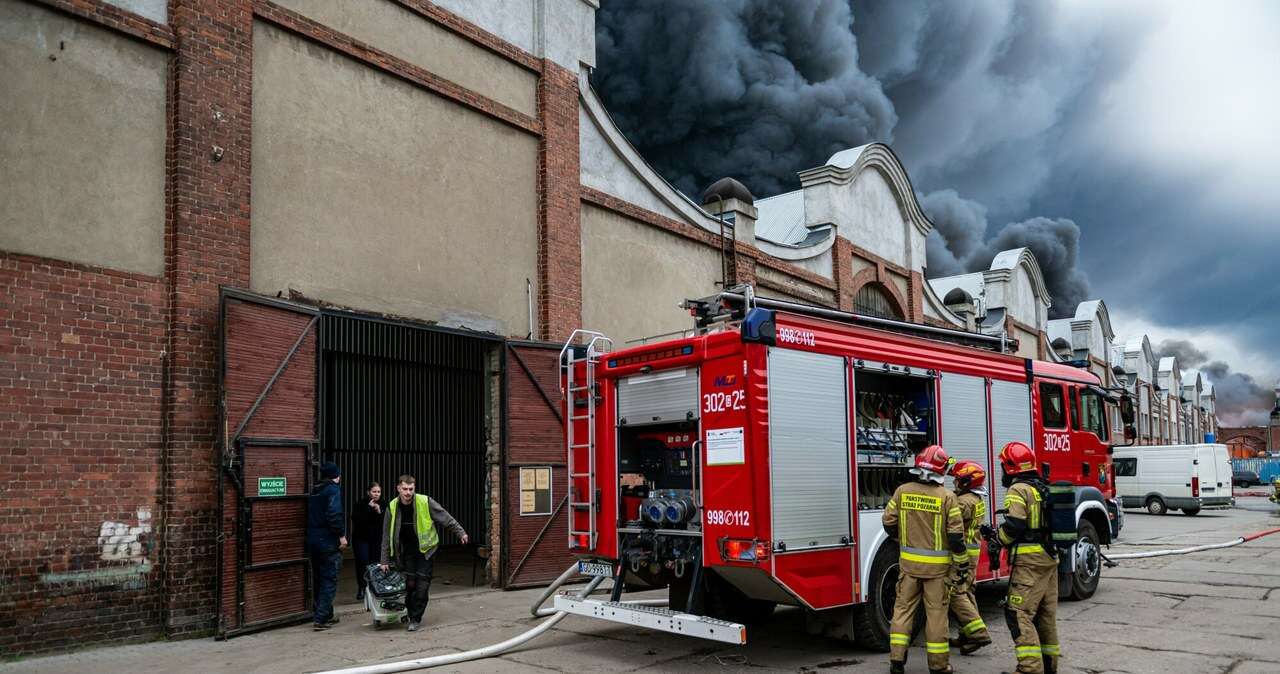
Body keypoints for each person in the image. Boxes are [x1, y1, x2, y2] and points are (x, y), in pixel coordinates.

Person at [882, 444, 969, 674]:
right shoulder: (947, 498)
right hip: (938, 572)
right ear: (940, 471)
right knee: (936, 616)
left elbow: (888, 523)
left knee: (902, 611)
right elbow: (956, 537)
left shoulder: (902, 491)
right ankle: (939, 666)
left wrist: (905, 538)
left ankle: (896, 661)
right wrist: (962, 563)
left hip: (909, 566)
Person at [982, 441, 1060, 674]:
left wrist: (998, 540)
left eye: (1004, 466)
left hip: (1030, 561)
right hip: (1049, 558)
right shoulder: (1042, 487)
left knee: (1018, 613)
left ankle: (1028, 669)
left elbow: (1015, 524)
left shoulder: (1018, 490)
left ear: (1010, 466)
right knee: (1045, 615)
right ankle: (1049, 666)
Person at [379, 474, 469, 632]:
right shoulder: (392, 507)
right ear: (398, 489)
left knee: (422, 586)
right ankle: (409, 610)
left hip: (425, 551)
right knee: (410, 584)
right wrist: (384, 560)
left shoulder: (425, 502)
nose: (408, 493)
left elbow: (445, 517)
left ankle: (415, 618)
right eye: (405, 489)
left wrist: (460, 532)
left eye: (411, 489)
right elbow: (386, 535)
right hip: (406, 552)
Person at [946, 460, 992, 655]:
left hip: (962, 553)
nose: (954, 483)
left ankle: (979, 634)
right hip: (972, 552)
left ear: (966, 482)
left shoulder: (964, 502)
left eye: (957, 480)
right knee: (967, 591)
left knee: (956, 593)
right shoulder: (976, 499)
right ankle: (966, 633)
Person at [306, 461, 347, 631]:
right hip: (328, 542)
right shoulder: (332, 490)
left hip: (313, 541)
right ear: (337, 476)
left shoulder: (315, 490)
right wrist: (341, 536)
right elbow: (334, 515)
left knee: (318, 579)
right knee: (329, 579)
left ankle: (325, 614)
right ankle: (321, 619)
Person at [351, 481, 384, 603]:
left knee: (375, 563)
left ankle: (375, 587)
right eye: (374, 492)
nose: (376, 494)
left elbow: (385, 522)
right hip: (361, 539)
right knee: (362, 562)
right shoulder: (361, 504)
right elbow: (356, 519)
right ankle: (362, 587)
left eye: (378, 492)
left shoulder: (383, 504)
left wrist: (379, 511)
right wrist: (368, 509)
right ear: (368, 492)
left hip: (376, 539)